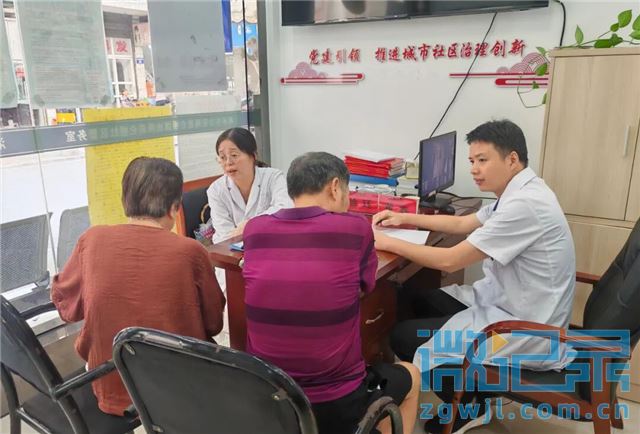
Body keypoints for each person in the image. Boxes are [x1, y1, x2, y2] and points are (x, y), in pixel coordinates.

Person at [372, 120, 576, 434]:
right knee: (421, 300)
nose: (474, 170)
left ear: (512, 159)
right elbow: (464, 223)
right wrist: (403, 218)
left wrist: (384, 241)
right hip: (511, 305)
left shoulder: (524, 205)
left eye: (482, 160)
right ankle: (471, 388)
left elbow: (450, 260)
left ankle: (470, 407)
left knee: (403, 336)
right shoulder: (521, 190)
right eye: (471, 161)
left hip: (527, 327)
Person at [242, 152, 420, 434]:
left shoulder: (255, 230)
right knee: (411, 374)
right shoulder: (355, 228)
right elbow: (364, 288)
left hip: (269, 395)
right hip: (336, 401)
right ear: (335, 187)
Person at [52, 157, 226, 416]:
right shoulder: (191, 251)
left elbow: (66, 307)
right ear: (174, 208)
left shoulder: (92, 239)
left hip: (109, 382)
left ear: (125, 200)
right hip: (181, 393)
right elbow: (214, 323)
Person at [207, 127, 292, 243]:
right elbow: (224, 236)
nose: (228, 162)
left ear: (253, 156)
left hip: (273, 245)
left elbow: (286, 210)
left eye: (234, 155)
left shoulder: (273, 177)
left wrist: (250, 225)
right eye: (222, 157)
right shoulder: (216, 190)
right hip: (233, 250)